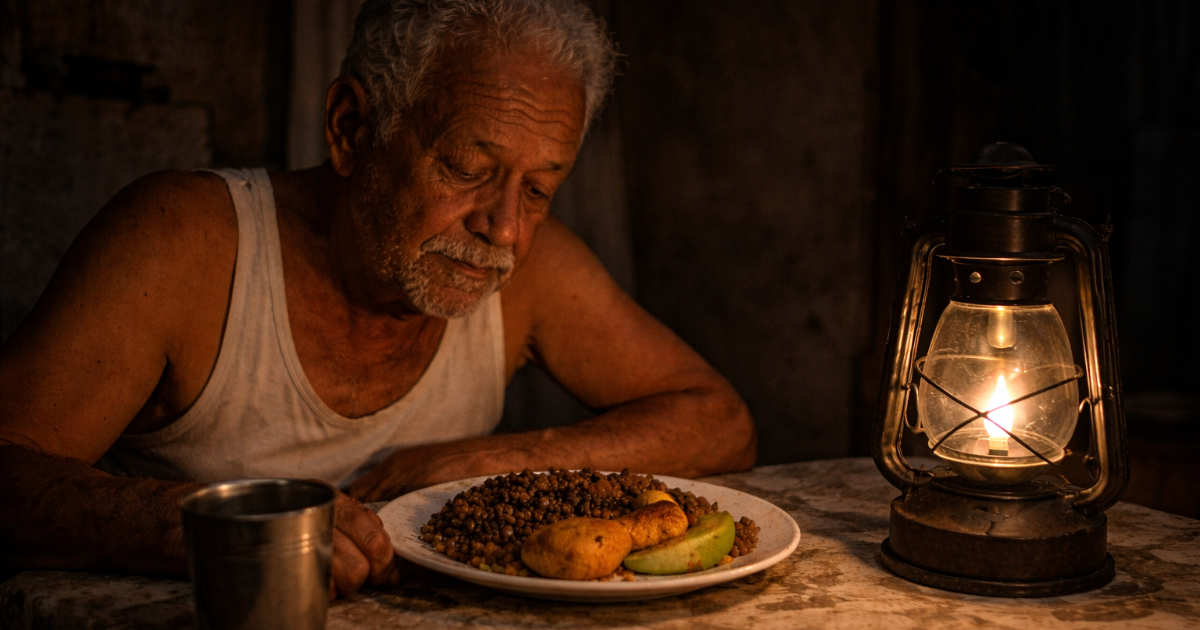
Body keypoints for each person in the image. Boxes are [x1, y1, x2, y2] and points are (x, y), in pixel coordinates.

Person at [0, 0, 755, 597]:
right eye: (465, 167)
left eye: (539, 189)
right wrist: (239, 527)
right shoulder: (181, 241)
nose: (505, 231)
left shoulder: (534, 266)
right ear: (352, 128)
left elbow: (716, 419)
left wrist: (486, 464)